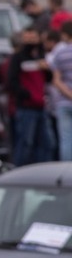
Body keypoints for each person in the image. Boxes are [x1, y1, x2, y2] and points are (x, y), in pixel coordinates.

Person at [9, 27, 55, 166]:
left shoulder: (40, 56)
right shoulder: (18, 58)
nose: (31, 41)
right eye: (27, 38)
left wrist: (46, 69)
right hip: (26, 107)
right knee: (25, 143)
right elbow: (11, 81)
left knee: (47, 143)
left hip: (41, 107)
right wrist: (27, 95)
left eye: (33, 38)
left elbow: (48, 78)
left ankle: (43, 171)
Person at [47, 20, 72, 161]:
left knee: (66, 140)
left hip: (64, 102)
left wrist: (68, 94)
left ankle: (67, 170)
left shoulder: (60, 53)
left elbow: (56, 80)